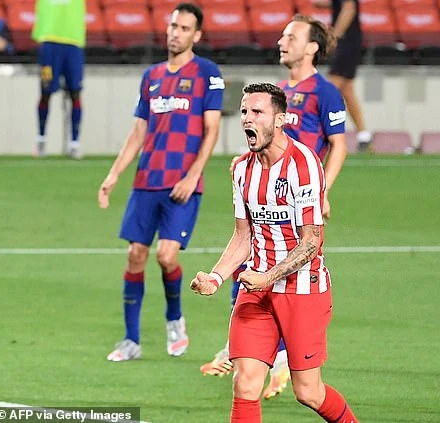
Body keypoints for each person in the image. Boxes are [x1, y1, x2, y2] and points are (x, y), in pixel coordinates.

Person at [199, 14, 347, 401]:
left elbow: (339, 145)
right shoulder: (278, 93)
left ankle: (280, 356)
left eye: (291, 36)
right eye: (282, 36)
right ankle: (252, 350)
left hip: (301, 202)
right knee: (249, 265)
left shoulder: (324, 92)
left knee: (309, 391)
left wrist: (323, 190)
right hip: (268, 199)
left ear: (312, 47)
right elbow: (242, 235)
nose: (282, 42)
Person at [97, 2, 224, 362]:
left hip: (182, 184)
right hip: (146, 181)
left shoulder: (207, 73)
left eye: (184, 28)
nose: (175, 33)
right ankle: (131, 340)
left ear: (196, 35)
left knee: (167, 256)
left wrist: (193, 175)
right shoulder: (151, 76)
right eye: (173, 26)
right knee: (135, 255)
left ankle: (174, 319)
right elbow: (139, 131)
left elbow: (212, 130)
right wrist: (114, 174)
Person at [314, 0, 371, 151]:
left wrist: (333, 36)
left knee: (329, 88)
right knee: (347, 90)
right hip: (350, 43)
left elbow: (349, 9)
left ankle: (313, 133)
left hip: (347, 43)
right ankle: (364, 136)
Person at [32, 0, 86, 159]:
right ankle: (41, 140)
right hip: (49, 41)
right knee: (45, 92)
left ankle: (74, 144)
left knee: (76, 92)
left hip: (73, 42)